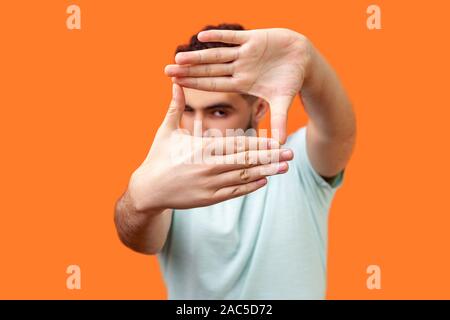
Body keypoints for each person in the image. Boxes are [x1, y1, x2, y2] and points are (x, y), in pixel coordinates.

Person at [114, 23, 356, 299]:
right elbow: (142, 241)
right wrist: (138, 201)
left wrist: (310, 64)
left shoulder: (296, 161)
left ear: (259, 108)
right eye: (189, 111)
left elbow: (338, 133)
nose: (198, 129)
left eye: (218, 111)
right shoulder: (170, 173)